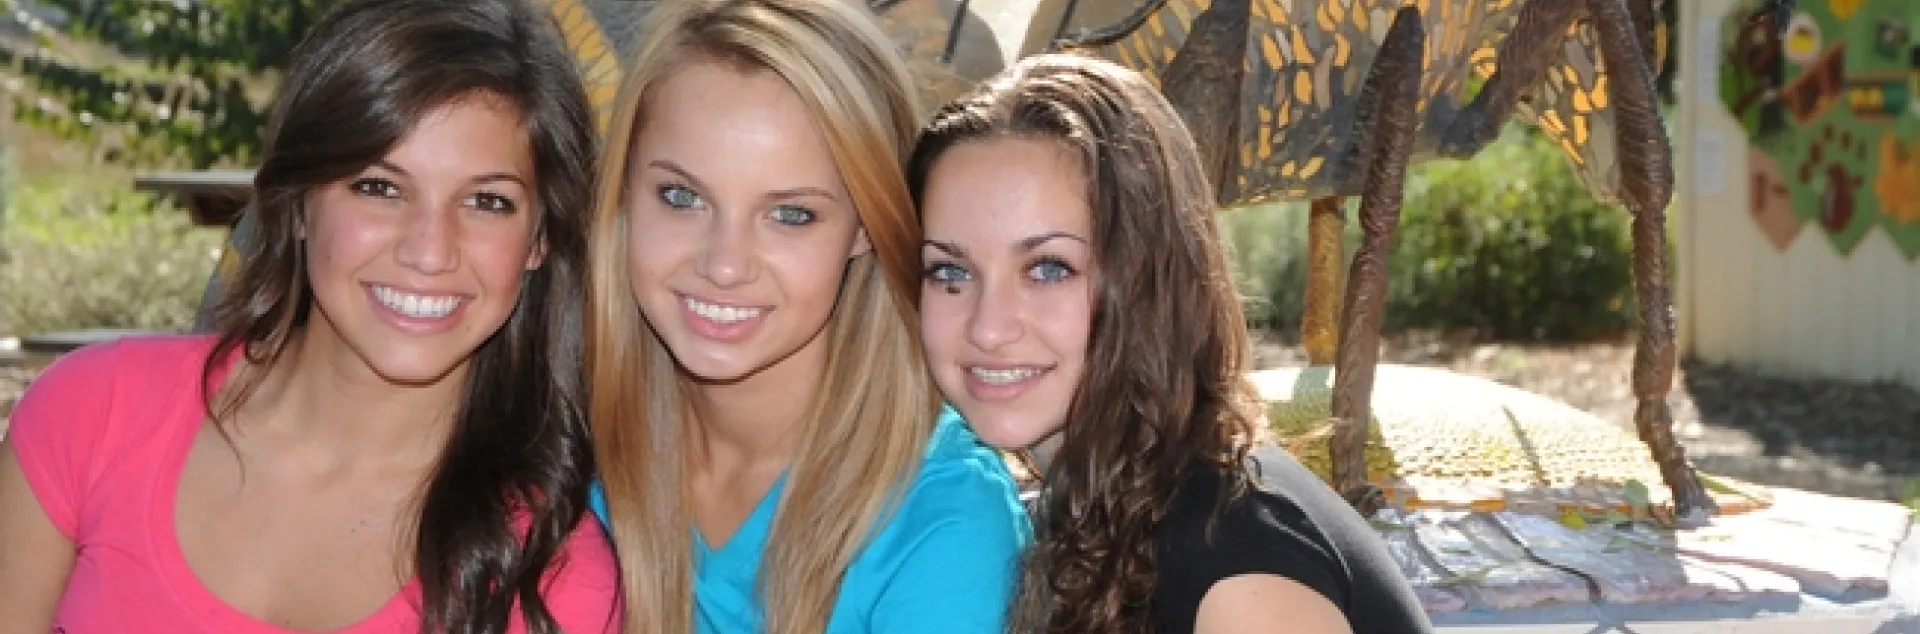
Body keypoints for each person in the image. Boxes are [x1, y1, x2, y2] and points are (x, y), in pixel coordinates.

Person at [0, 0, 619, 632]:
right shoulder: (90, 416)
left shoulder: (557, 580)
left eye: (488, 201)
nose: (429, 251)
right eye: (379, 187)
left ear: (540, 240)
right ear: (297, 207)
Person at [907, 53, 1435, 634]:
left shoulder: (1237, 573)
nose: (987, 327)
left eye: (1050, 269)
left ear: (1152, 279)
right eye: (949, 273)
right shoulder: (1112, 495)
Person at [581, 1, 1029, 633]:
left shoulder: (944, 520)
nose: (725, 264)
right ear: (623, 195)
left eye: (790, 214)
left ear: (864, 227)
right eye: (682, 197)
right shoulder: (570, 449)